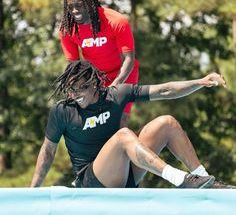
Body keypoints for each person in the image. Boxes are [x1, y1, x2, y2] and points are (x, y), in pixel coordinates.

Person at [31, 61, 235, 189]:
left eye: (80, 88)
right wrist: (33, 191)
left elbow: (164, 91)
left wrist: (199, 82)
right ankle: (179, 178)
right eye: (70, 90)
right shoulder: (62, 111)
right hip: (92, 182)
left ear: (94, 84)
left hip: (126, 174)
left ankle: (205, 180)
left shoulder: (115, 95)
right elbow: (48, 152)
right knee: (123, 135)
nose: (74, 95)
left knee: (167, 122)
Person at [59, 0, 139, 127]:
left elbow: (129, 59)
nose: (75, 11)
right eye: (70, 7)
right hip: (96, 78)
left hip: (124, 73)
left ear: (90, 2)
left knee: (119, 121)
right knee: (97, 122)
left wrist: (115, 86)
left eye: (79, 5)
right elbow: (74, 66)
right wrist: (75, 88)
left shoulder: (116, 21)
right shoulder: (67, 30)